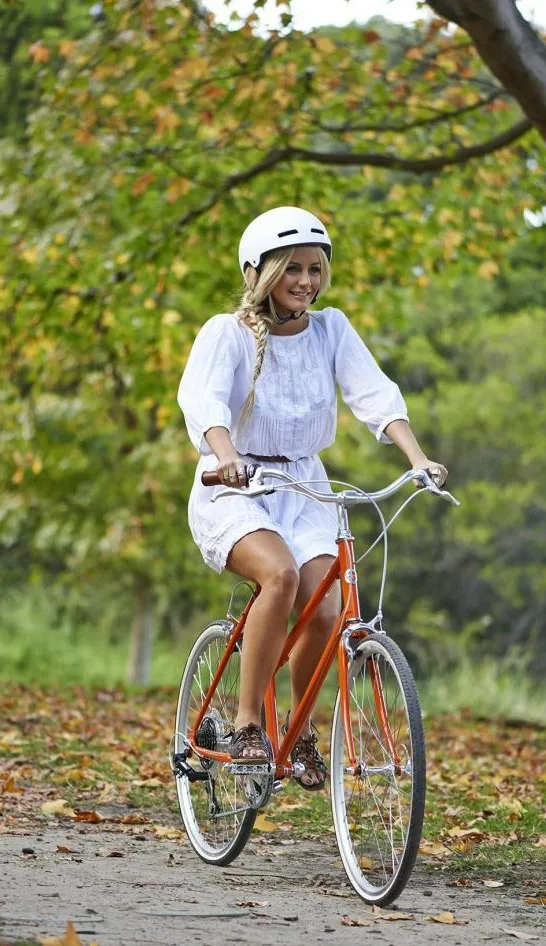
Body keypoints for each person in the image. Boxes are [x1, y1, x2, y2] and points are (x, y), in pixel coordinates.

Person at [177, 206, 447, 790]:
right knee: (280, 577)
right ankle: (250, 721)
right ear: (259, 272)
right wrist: (224, 454)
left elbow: (374, 393)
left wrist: (416, 458)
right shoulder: (227, 333)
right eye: (291, 268)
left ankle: (297, 727)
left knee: (327, 607)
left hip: (305, 485)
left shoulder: (331, 330)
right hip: (237, 484)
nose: (305, 280)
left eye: (315, 269)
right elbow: (204, 401)